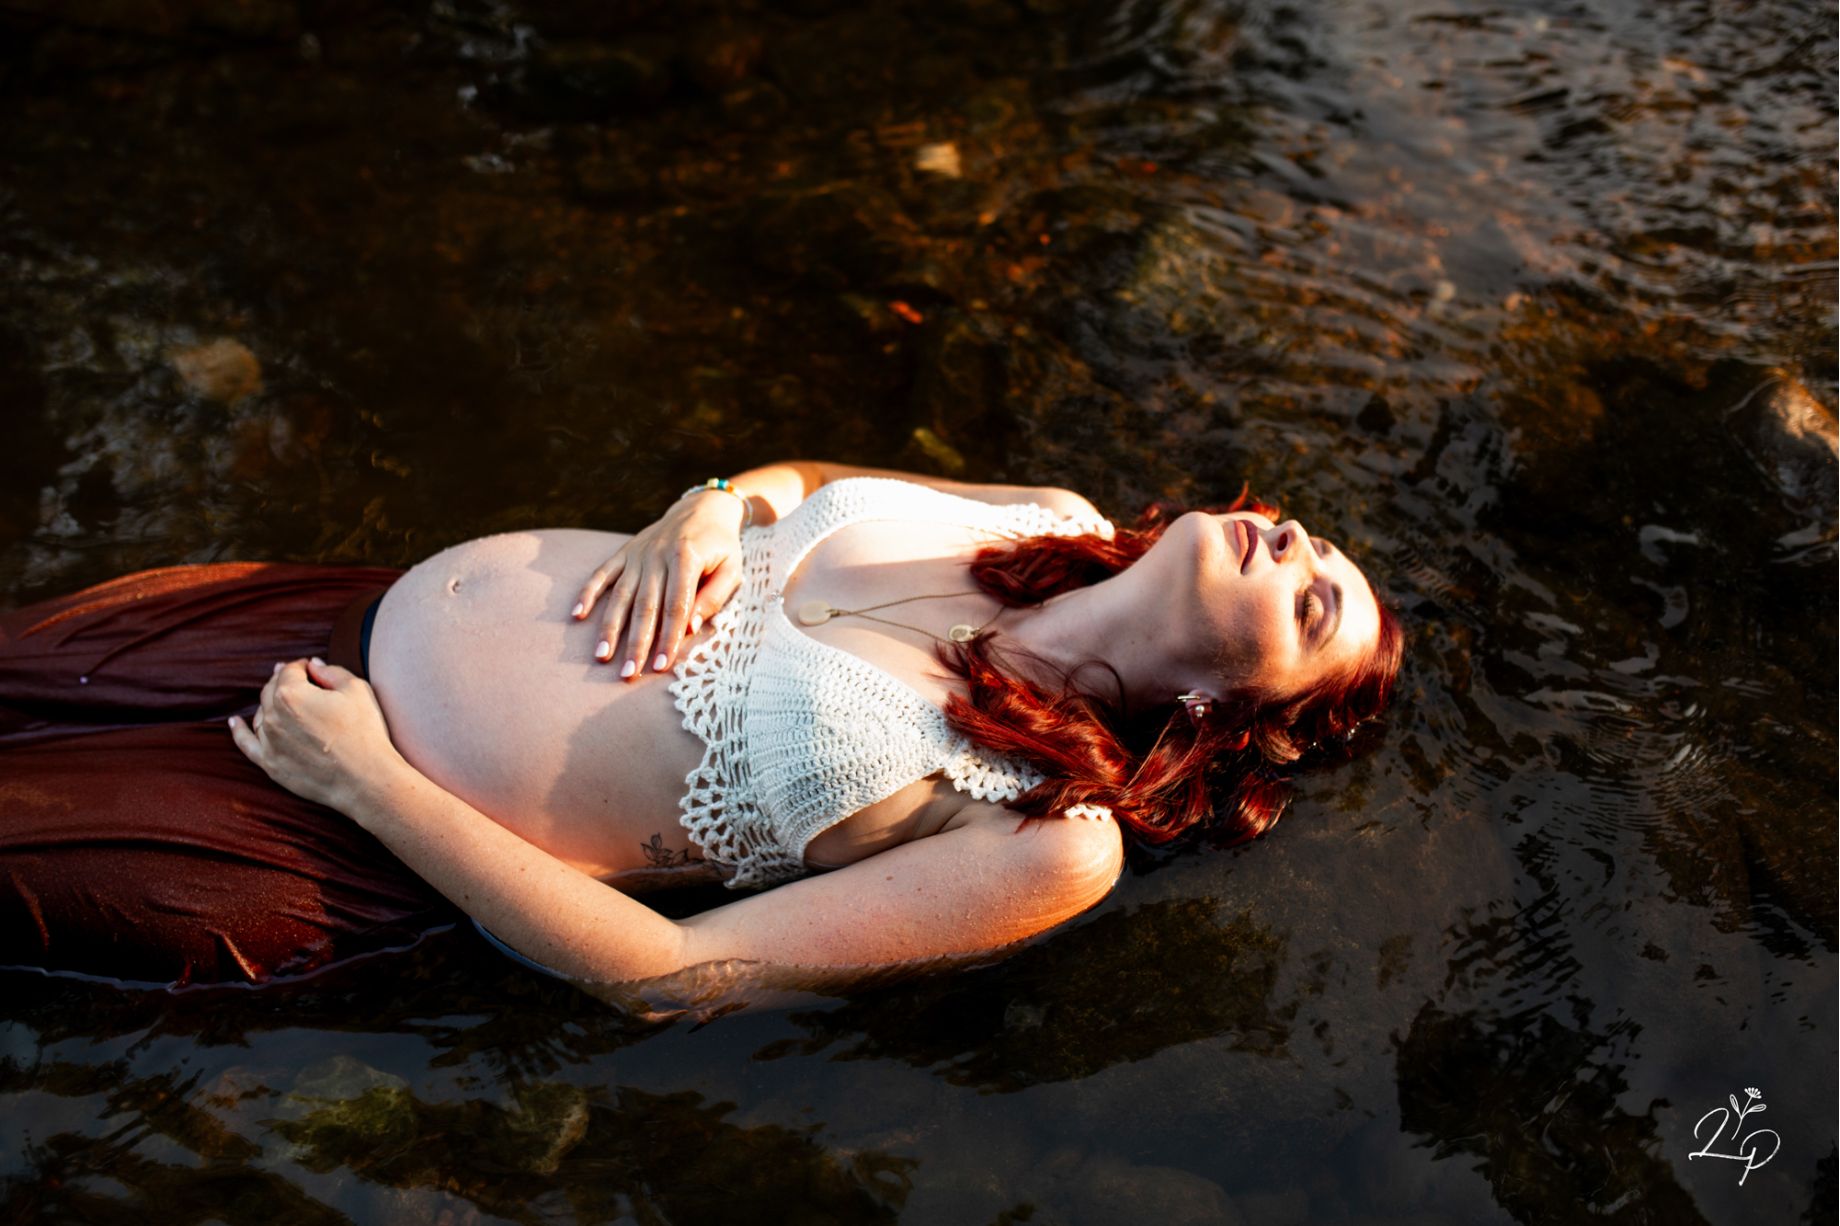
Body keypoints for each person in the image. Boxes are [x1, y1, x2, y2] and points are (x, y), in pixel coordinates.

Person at [0, 460, 1401, 990]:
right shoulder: (1051, 514)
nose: (1298, 540)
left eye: (1321, 597)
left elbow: (672, 972)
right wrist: (710, 504)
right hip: (325, 620)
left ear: (1243, 713)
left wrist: (368, 782)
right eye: (1311, 535)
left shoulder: (1048, 839)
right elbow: (797, 477)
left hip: (338, 827)